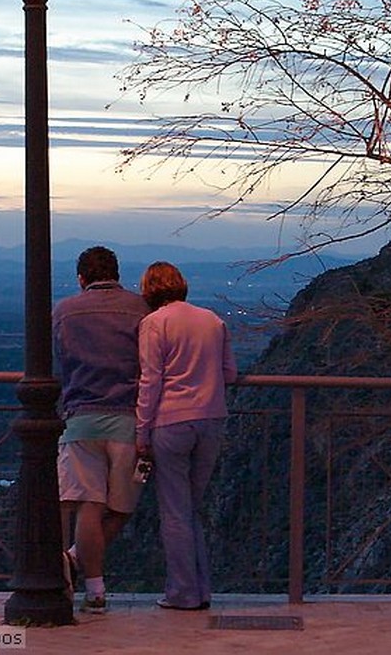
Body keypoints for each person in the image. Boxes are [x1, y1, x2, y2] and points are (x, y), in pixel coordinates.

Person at [136, 261, 238, 610]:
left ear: (149, 290)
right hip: (211, 418)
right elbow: (229, 372)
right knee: (191, 508)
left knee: (175, 512)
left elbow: (151, 381)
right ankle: (201, 589)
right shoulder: (213, 320)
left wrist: (142, 430)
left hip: (171, 422)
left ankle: (183, 591)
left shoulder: (154, 324)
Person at [52, 245, 148, 613]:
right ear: (117, 273)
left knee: (88, 507)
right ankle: (78, 564)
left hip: (80, 418)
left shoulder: (64, 312)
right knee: (121, 507)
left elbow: (60, 361)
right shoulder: (140, 309)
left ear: (81, 279)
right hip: (128, 418)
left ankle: (93, 588)